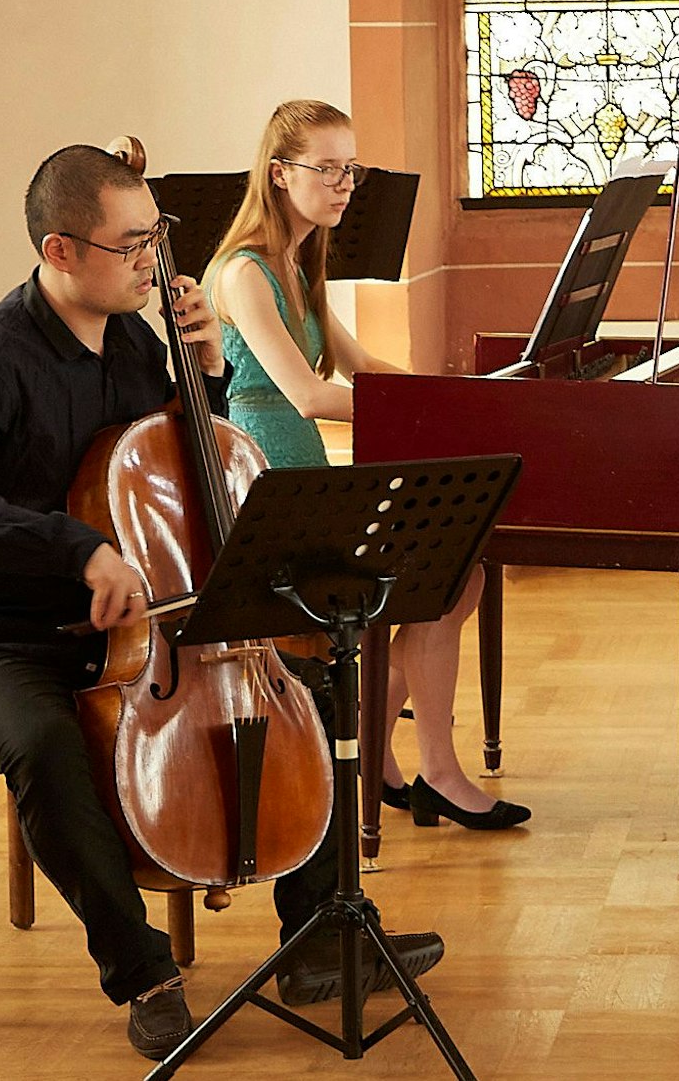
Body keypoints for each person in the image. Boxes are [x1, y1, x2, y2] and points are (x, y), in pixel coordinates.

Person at [0, 144, 441, 1061]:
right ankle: (142, 968)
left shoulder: (130, 341)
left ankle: (317, 940)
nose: (154, 260)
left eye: (157, 236)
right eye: (132, 244)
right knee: (43, 743)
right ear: (60, 250)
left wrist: (207, 371)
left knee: (315, 693)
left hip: (145, 630)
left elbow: (174, 468)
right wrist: (79, 549)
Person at [202, 99, 529, 831]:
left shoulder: (298, 259)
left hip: (305, 474)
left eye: (351, 168)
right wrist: (419, 415)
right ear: (280, 174)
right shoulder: (243, 272)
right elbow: (311, 394)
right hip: (267, 486)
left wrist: (454, 396)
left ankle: (383, 751)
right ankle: (435, 770)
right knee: (439, 582)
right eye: (329, 169)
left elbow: (364, 368)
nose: (345, 183)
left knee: (457, 574)